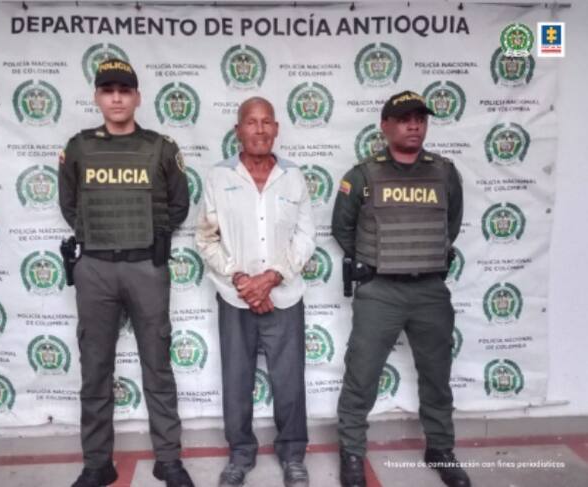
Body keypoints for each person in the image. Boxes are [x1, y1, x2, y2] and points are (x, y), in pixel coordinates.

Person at [58, 58, 194, 487]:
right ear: (97, 97)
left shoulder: (161, 148)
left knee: (158, 366)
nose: (116, 98)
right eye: (108, 90)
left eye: (124, 90)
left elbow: (179, 205)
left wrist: (148, 238)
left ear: (137, 97)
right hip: (95, 267)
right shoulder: (78, 148)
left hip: (145, 266)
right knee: (95, 369)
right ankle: (97, 464)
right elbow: (69, 205)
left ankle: (168, 460)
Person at [332, 91, 470, 487]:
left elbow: (451, 224)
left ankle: (440, 448)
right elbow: (343, 228)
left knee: (437, 376)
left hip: (429, 290)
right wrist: (376, 265)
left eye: (420, 119)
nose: (414, 126)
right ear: (386, 126)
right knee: (361, 376)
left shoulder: (444, 172)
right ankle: (352, 452)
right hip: (380, 291)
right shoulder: (362, 175)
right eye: (405, 119)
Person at [195, 97, 316, 487]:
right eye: (251, 122)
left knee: (289, 380)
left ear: (276, 129)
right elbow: (206, 238)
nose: (260, 129)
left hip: (285, 297)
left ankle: (292, 454)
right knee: (236, 379)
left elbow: (306, 237)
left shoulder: (293, 177)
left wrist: (272, 278)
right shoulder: (219, 177)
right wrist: (241, 280)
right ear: (238, 130)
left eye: (267, 122)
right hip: (236, 298)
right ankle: (240, 454)